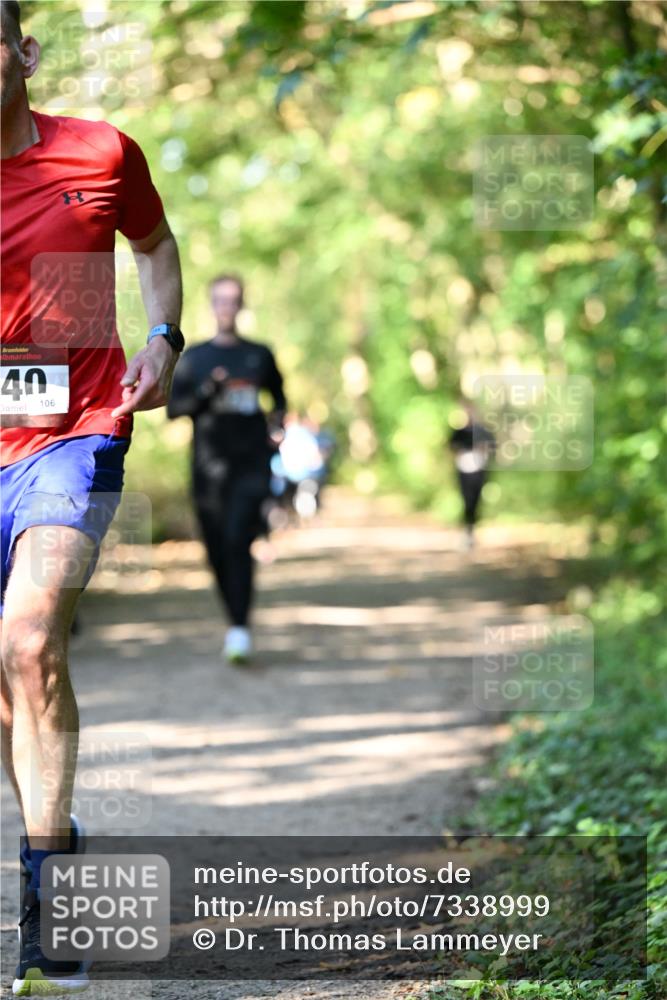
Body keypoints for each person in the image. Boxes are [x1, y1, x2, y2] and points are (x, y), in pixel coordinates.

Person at [0, 1, 184, 993]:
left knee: (29, 641)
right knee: (4, 676)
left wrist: (164, 341)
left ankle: (47, 890)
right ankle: (53, 827)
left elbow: (156, 249)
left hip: (73, 432)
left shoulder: (99, 154)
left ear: (23, 52)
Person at [168, 275, 286, 664]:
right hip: (208, 471)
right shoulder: (195, 358)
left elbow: (280, 400)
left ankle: (239, 628)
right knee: (218, 549)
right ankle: (235, 620)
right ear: (211, 304)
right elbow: (174, 410)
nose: (226, 307)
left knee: (239, 541)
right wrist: (207, 393)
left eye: (233, 300)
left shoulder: (259, 355)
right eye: (220, 299)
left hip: (251, 466)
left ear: (242, 305)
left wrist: (277, 428)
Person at [449, 398, 495, 549]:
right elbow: (451, 447)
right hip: (464, 468)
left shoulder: (484, 431)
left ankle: (471, 530)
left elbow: (493, 447)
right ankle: (468, 531)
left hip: (479, 468)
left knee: (475, 500)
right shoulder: (459, 432)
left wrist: (484, 449)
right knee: (467, 500)